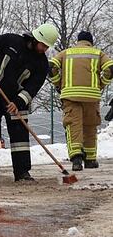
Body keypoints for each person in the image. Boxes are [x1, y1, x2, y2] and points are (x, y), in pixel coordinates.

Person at [0, 23, 57, 183]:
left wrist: (18, 102)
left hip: (15, 102)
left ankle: (22, 173)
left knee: (20, 138)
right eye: (43, 45)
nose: (44, 49)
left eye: (47, 47)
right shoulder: (11, 41)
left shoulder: (41, 64)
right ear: (36, 39)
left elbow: (32, 88)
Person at [48, 30, 113, 170]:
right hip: (91, 96)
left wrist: (59, 84)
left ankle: (77, 160)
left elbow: (51, 66)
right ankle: (90, 160)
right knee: (90, 126)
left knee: (73, 125)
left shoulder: (66, 53)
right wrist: (100, 85)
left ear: (78, 41)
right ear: (91, 42)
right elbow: (110, 69)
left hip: (70, 96)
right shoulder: (98, 53)